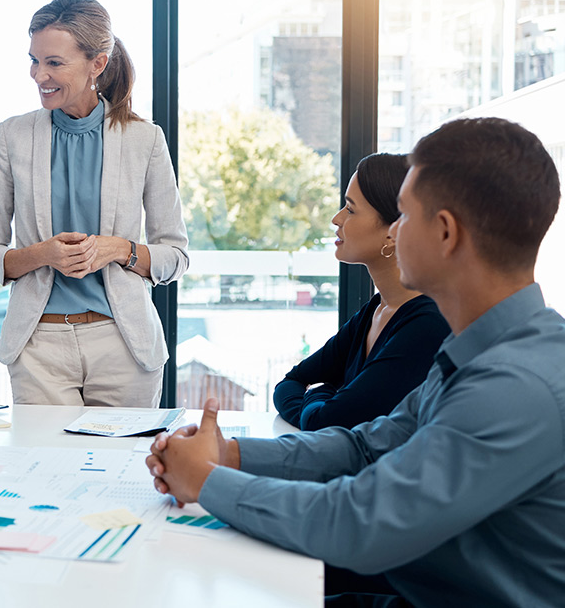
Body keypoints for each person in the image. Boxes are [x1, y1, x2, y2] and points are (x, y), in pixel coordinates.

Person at [146, 117, 565, 606]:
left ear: (446, 233)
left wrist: (209, 482)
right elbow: (368, 448)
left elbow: (358, 523)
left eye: (404, 215)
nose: (395, 228)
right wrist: (230, 454)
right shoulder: (481, 347)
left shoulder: (514, 385)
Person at [0, 0, 189, 407]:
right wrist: (42, 255)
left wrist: (118, 250)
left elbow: (175, 256)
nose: (39, 75)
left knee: (120, 470)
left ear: (98, 64)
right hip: (39, 347)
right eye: (34, 60)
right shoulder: (11, 136)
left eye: (54, 62)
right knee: (43, 469)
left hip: (124, 345)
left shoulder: (145, 140)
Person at [273, 154, 449, 430]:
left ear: (393, 232)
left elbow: (326, 422)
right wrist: (331, 396)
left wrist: (322, 393)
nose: (336, 218)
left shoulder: (427, 325)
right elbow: (289, 383)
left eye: (350, 209)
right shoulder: (377, 309)